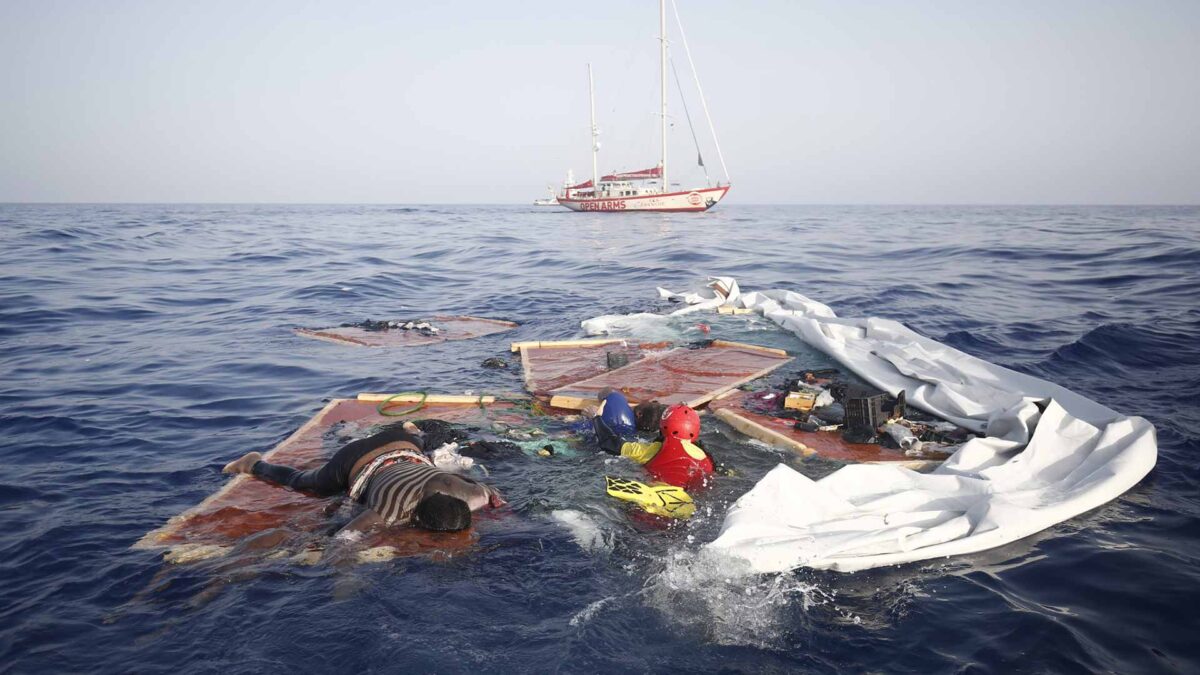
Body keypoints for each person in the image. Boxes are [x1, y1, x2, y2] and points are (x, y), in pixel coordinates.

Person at [222, 421, 503, 532]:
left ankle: (413, 430)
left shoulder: (474, 495)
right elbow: (346, 537)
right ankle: (254, 464)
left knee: (417, 447)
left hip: (405, 442)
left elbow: (492, 493)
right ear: (415, 517)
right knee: (304, 482)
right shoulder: (391, 510)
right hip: (355, 459)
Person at [594, 402, 715, 491]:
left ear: (663, 426)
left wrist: (597, 418)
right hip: (686, 500)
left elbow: (609, 443)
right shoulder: (706, 458)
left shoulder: (651, 450)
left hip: (654, 494)